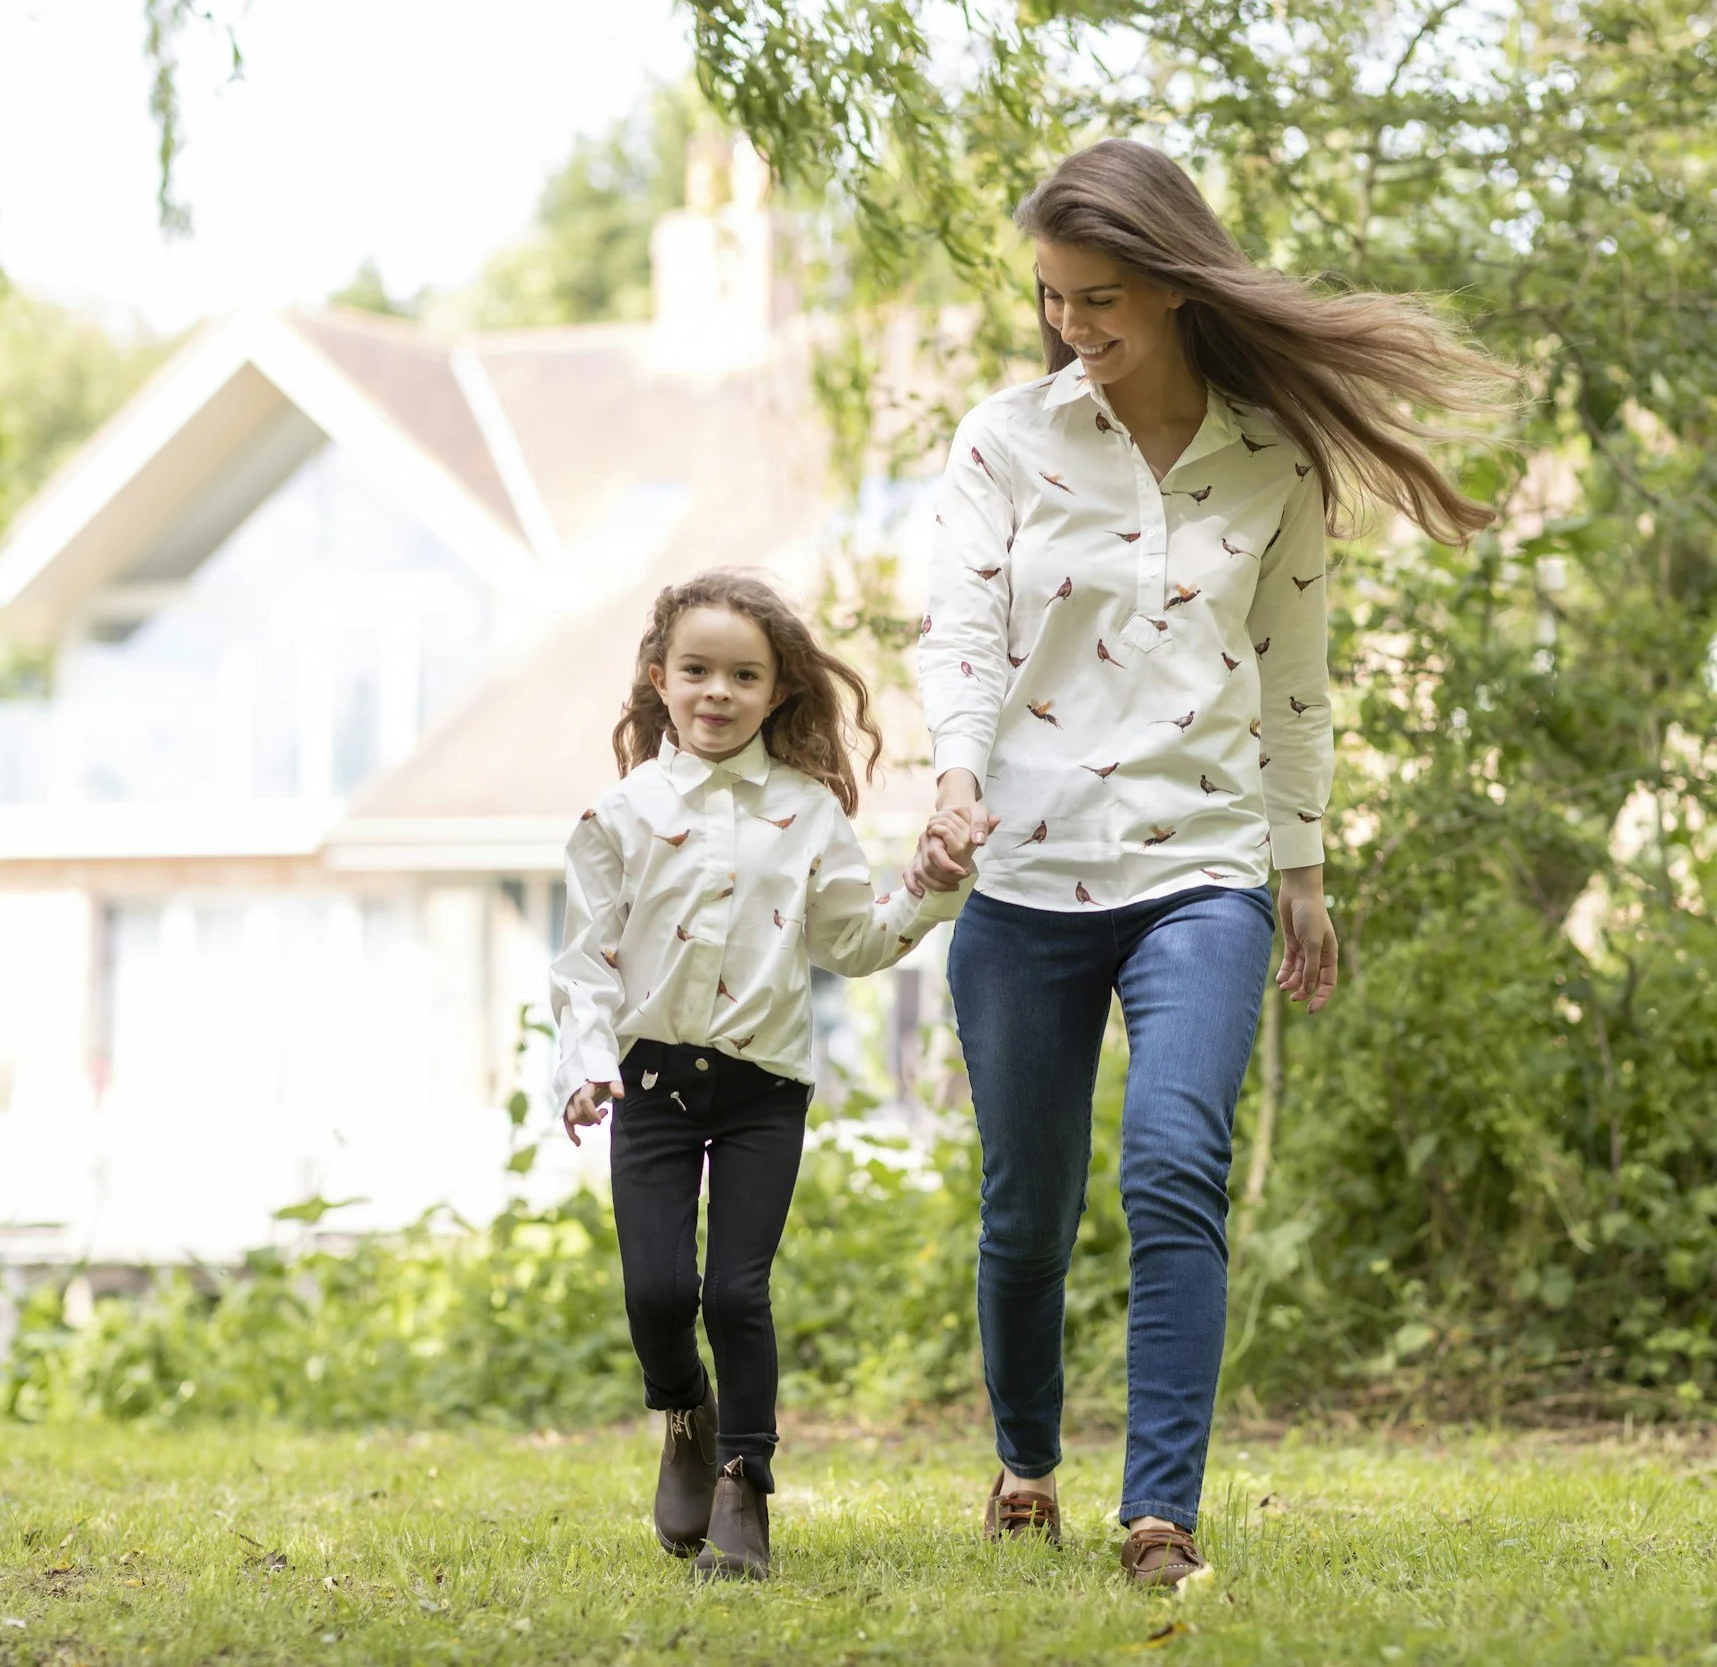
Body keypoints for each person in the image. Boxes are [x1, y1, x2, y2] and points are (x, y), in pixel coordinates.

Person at [906, 139, 1504, 1587]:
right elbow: (964, 629)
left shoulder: (1270, 458)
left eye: (1100, 298)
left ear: (1175, 285)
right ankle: (1030, 1464)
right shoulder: (1005, 441)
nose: (1073, 328)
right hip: (1029, 867)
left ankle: (1158, 1510)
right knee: (1026, 1206)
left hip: (1206, 868)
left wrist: (1298, 867)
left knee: (1176, 1161)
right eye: (1053, 300)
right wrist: (955, 771)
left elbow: (1295, 676)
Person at [552, 569, 977, 1580]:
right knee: (659, 1288)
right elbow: (584, 963)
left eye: (743, 675)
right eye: (697, 670)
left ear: (778, 690)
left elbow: (855, 940)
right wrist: (582, 1067)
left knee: (736, 1291)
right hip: (648, 1084)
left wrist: (923, 889)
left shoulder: (808, 815)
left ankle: (744, 1480)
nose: (717, 692)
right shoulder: (619, 815)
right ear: (659, 677)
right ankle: (686, 1413)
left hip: (763, 1089)